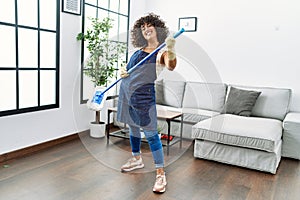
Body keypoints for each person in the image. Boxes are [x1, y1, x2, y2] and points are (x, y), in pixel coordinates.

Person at [117, 13, 177, 193]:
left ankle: (160, 173)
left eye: (149, 26)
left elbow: (172, 66)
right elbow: (128, 70)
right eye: (142, 28)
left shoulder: (162, 52)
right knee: (133, 127)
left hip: (144, 96)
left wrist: (172, 50)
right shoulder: (137, 52)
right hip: (126, 92)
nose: (145, 29)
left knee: (151, 135)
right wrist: (123, 71)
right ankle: (137, 159)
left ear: (157, 28)